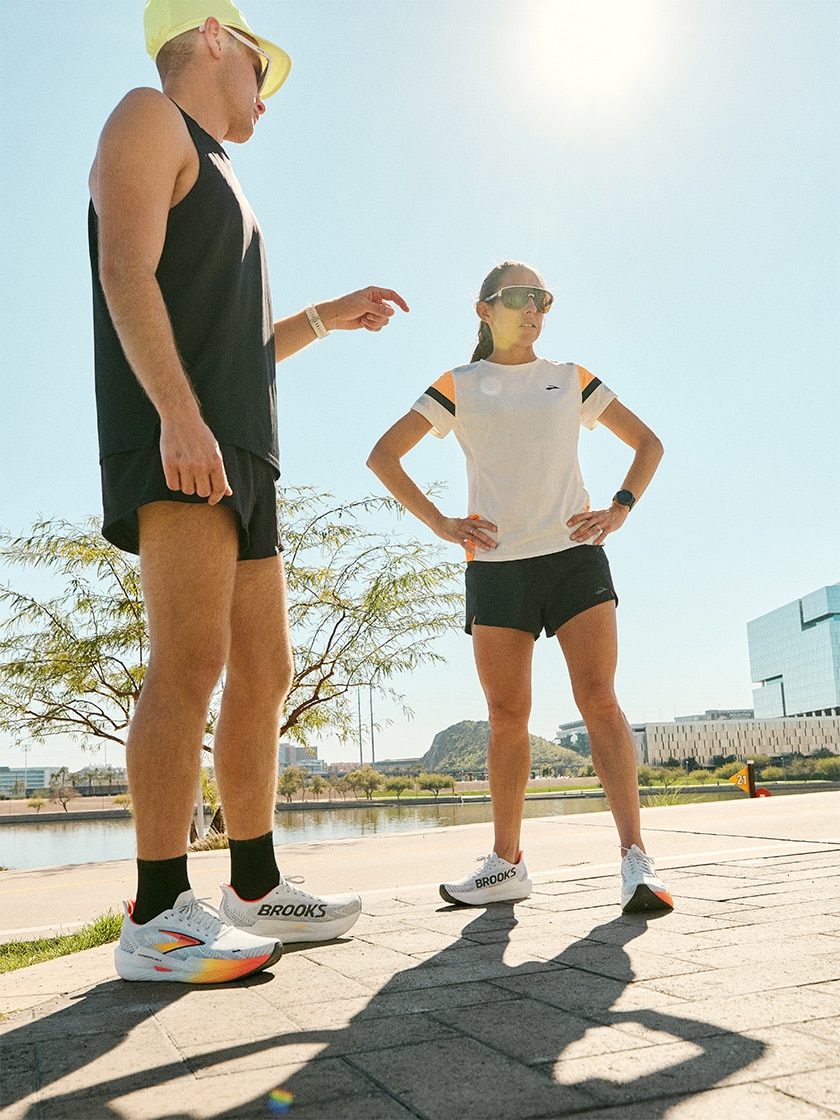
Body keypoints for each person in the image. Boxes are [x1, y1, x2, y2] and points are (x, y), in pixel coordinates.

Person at [89, 0, 408, 984]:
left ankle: (256, 884)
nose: (267, 100)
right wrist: (179, 416)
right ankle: (154, 916)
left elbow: (244, 352)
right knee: (188, 659)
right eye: (262, 71)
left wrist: (326, 315)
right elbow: (123, 270)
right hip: (179, 436)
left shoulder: (224, 175)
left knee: (263, 670)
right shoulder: (146, 115)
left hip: (242, 449)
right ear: (217, 37)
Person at [367, 260, 673, 915]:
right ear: (485, 310)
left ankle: (635, 861)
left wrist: (619, 507)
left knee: (599, 700)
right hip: (497, 569)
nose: (534, 309)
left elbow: (648, 443)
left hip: (573, 560)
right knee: (508, 719)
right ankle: (506, 865)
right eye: (520, 298)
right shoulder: (460, 385)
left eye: (543, 299)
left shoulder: (569, 380)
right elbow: (384, 456)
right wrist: (444, 524)